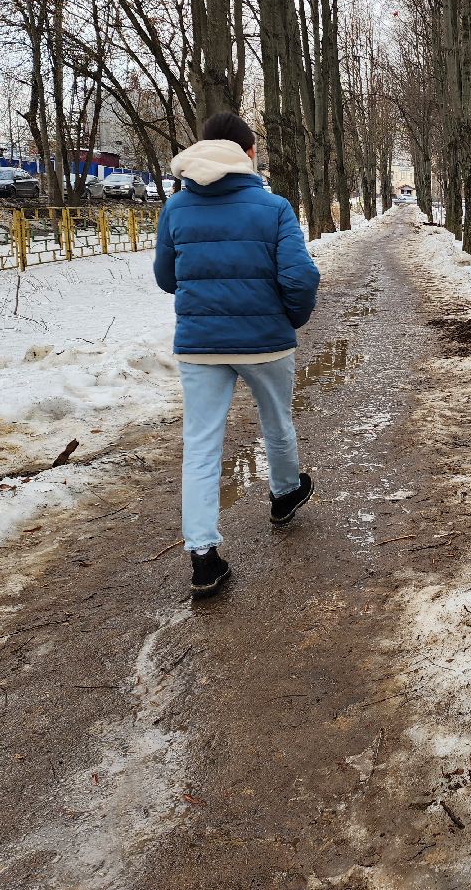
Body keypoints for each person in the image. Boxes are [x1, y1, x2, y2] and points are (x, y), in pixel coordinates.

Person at [153, 113, 321, 599]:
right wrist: (288, 320)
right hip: (265, 341)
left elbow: (166, 277)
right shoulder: (274, 208)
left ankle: (203, 557)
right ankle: (284, 495)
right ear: (248, 153)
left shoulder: (176, 208)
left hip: (200, 345)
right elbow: (301, 277)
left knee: (201, 446)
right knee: (277, 422)